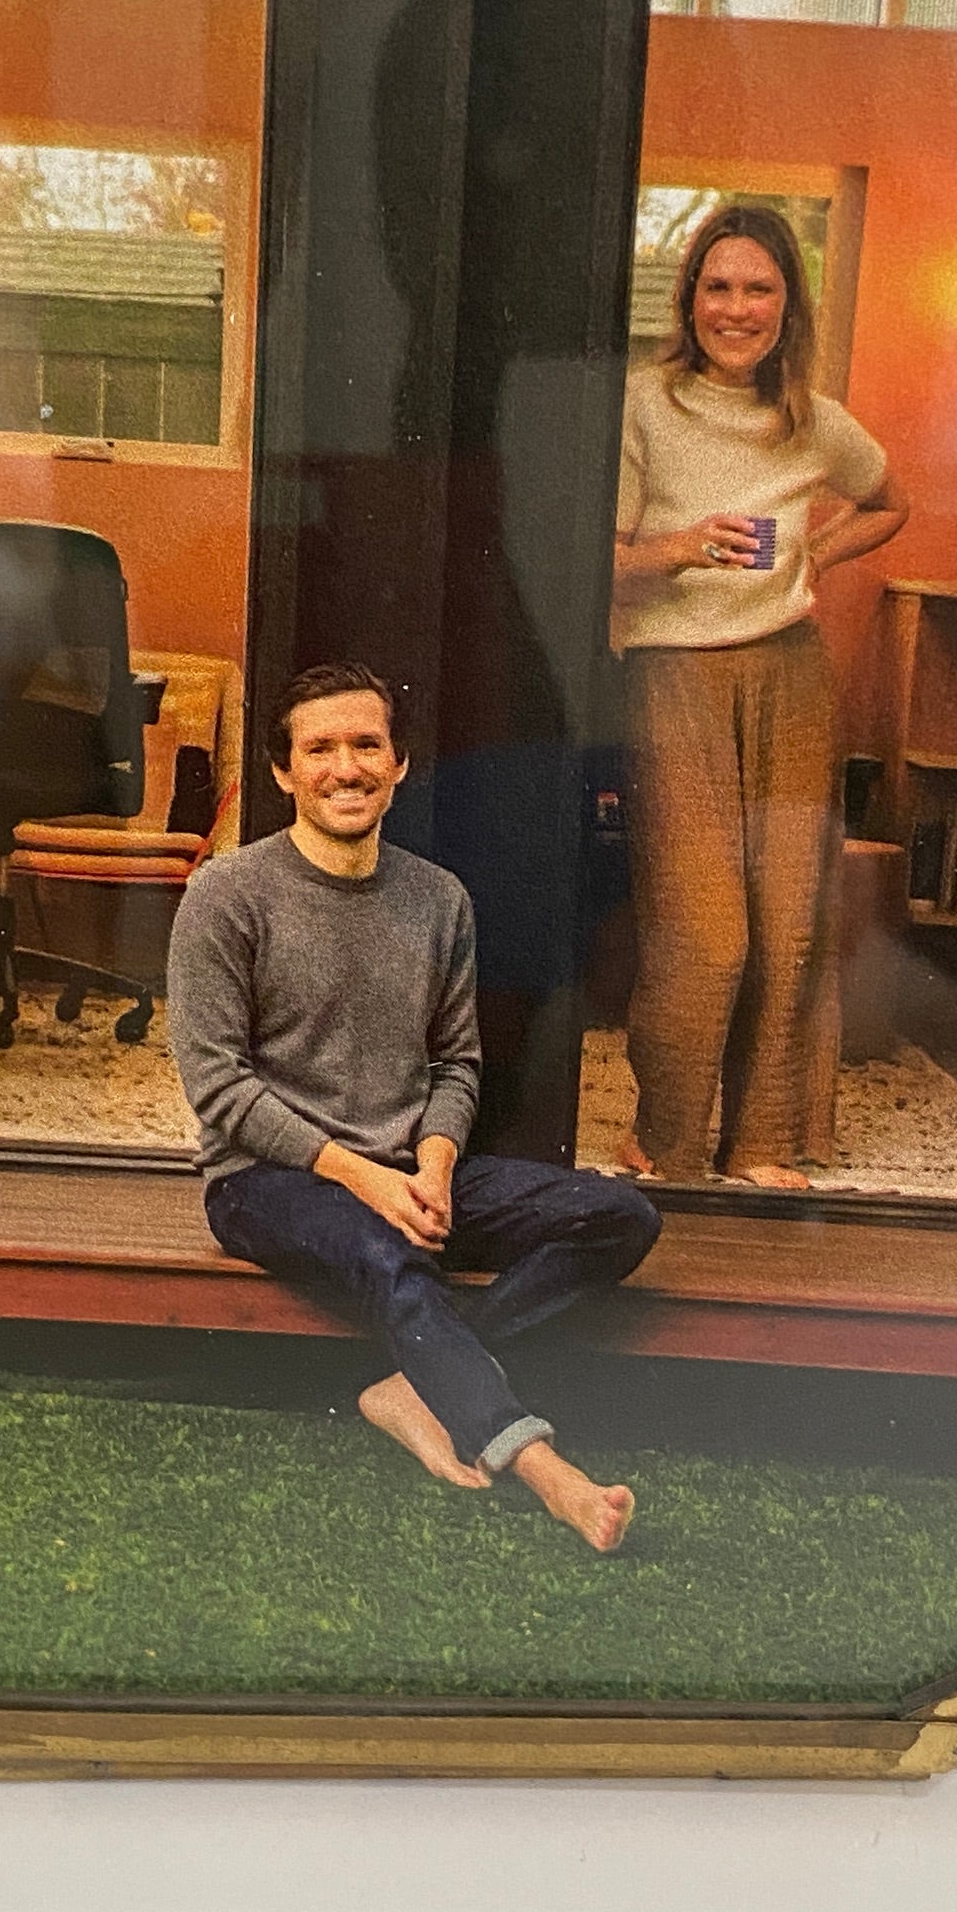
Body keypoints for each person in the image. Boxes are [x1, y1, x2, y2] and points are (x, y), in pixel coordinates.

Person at [167, 663, 661, 1553]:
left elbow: (455, 1064)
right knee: (386, 1250)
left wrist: (433, 1165)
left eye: (367, 746)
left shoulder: (439, 899)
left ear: (398, 766)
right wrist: (366, 1180)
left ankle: (413, 1384)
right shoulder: (227, 896)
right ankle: (542, 1467)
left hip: (409, 1170)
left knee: (618, 1215)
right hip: (266, 1181)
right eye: (320, 748)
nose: (345, 768)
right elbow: (220, 1085)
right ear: (283, 771)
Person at [606, 203, 911, 1186]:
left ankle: (763, 1141)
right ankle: (665, 1139)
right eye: (719, 286)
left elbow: (890, 502)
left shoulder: (815, 420)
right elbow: (601, 561)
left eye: (759, 289)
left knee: (789, 925)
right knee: (707, 931)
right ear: (689, 298)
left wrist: (817, 552)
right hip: (675, 674)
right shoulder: (644, 404)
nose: (736, 309)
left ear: (788, 306)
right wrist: (683, 546)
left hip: (790, 670)